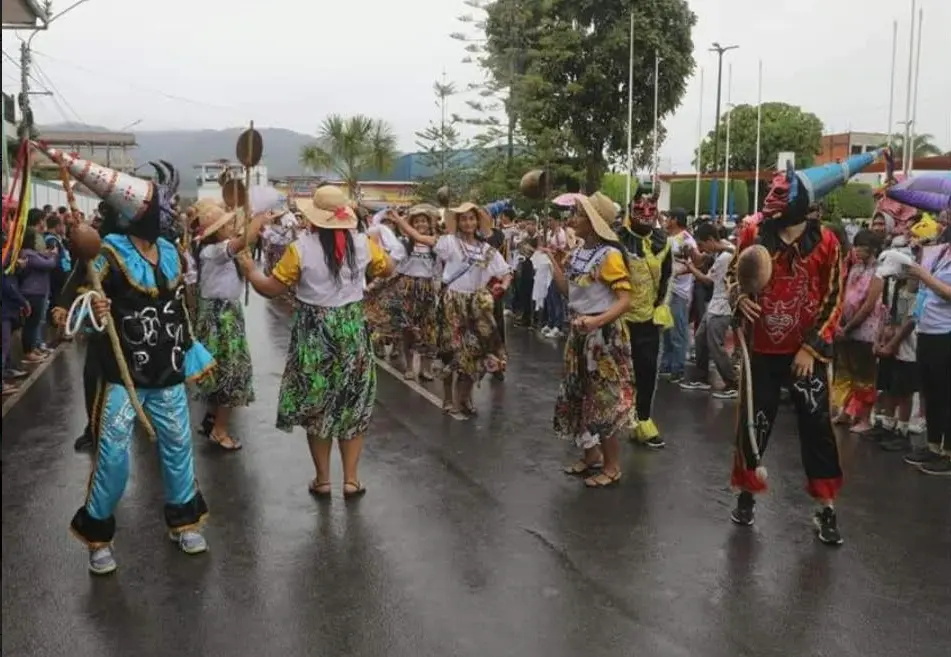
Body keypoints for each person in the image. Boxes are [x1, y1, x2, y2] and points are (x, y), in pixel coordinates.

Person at [41, 146, 215, 575]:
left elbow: (178, 307)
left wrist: (190, 350)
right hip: (122, 375)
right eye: (164, 207)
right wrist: (93, 307)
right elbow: (69, 304)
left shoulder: (170, 250)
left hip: (167, 372)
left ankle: (183, 522)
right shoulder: (106, 252)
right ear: (140, 214)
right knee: (114, 457)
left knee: (178, 449)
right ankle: (98, 537)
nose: (171, 213)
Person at [725, 152, 881, 546]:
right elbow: (733, 274)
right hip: (760, 349)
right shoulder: (753, 233)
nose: (771, 201)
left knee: (817, 429)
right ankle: (747, 494)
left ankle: (826, 507)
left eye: (782, 194)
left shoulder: (827, 242)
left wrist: (810, 348)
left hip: (806, 355)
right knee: (754, 423)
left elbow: (833, 298)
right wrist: (738, 297)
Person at [239, 185, 394, 497]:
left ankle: (323, 480)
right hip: (351, 330)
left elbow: (271, 288)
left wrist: (251, 270)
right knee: (352, 403)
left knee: (317, 405)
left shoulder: (300, 249)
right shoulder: (363, 244)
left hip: (314, 332)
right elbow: (388, 269)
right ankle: (351, 480)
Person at [547, 192, 634, 488]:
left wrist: (597, 321)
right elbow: (569, 294)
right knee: (579, 394)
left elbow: (625, 300)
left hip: (603, 335)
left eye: (579, 215)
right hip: (580, 331)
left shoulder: (610, 255)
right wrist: (552, 262)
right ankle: (591, 454)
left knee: (603, 399)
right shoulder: (578, 252)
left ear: (594, 222)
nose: (572, 219)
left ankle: (612, 466)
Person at [395, 202, 511, 417]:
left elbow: (506, 272)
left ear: (477, 222)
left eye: (471, 218)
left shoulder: (487, 250)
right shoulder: (449, 242)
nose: (468, 222)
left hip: (476, 307)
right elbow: (420, 237)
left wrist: (502, 286)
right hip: (452, 304)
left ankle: (465, 397)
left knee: (475, 353)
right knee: (450, 352)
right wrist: (399, 220)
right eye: (463, 219)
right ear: (458, 222)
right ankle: (448, 397)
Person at [191, 198, 275, 450]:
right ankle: (219, 430)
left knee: (219, 372)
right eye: (226, 226)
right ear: (216, 231)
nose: (230, 228)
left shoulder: (213, 249)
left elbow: (242, 240)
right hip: (221, 317)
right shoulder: (213, 251)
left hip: (224, 313)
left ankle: (212, 420)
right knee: (231, 372)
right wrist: (259, 217)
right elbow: (243, 240)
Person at [616, 194, 672, 448]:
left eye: (652, 208)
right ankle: (608, 424)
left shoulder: (663, 242)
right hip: (619, 318)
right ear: (630, 211)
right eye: (640, 208)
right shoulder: (617, 241)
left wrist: (661, 306)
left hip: (648, 320)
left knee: (647, 371)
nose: (647, 213)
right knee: (615, 373)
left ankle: (643, 420)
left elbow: (667, 277)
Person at [902, 231, 951, 475]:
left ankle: (948, 453)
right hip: (927, 329)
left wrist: (924, 275)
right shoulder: (941, 251)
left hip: (946, 331)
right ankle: (932, 446)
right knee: (931, 392)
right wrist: (917, 259)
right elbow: (916, 287)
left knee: (946, 394)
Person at [831, 229, 885, 433]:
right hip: (846, 329)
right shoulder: (855, 268)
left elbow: (869, 305)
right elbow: (844, 297)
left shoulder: (879, 272)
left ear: (872, 249)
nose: (857, 250)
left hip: (865, 331)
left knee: (865, 376)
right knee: (847, 372)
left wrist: (848, 327)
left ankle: (864, 417)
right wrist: (839, 324)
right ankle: (846, 412)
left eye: (861, 246)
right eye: (856, 246)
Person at [679, 221, 738, 398]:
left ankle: (732, 382)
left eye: (702, 245)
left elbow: (707, 280)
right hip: (715, 304)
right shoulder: (725, 249)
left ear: (711, 240)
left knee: (715, 345)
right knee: (700, 338)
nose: (702, 249)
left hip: (722, 306)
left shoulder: (725, 257)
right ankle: (701, 377)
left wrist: (690, 267)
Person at [659, 208, 698, 383]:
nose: (666, 220)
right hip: (668, 290)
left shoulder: (686, 240)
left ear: (675, 220)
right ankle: (667, 364)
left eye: (668, 217)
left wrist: (675, 273)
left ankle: (678, 368)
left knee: (677, 331)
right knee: (667, 330)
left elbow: (693, 265)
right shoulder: (670, 238)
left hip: (678, 292)